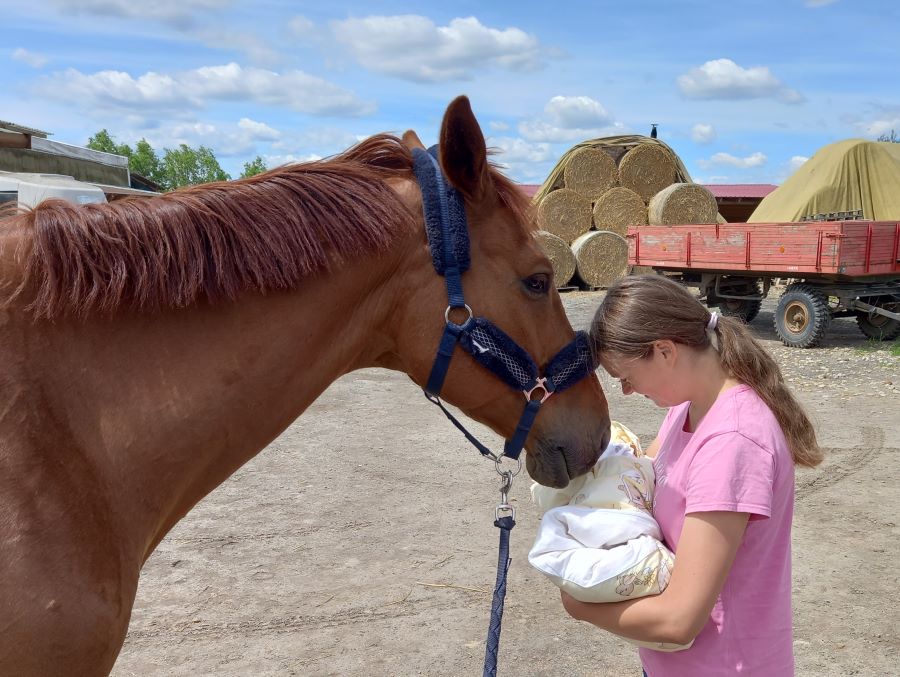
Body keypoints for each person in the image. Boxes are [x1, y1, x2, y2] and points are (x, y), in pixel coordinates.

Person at [559, 274, 822, 677]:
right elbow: (635, 487)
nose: (627, 390)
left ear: (664, 351)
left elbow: (680, 620)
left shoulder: (731, 441)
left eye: (625, 376)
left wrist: (579, 602)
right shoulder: (686, 411)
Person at [529, 421, 691, 653]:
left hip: (716, 661)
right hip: (663, 660)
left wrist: (576, 606)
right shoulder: (680, 413)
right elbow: (646, 464)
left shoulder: (728, 439)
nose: (623, 387)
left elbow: (678, 624)